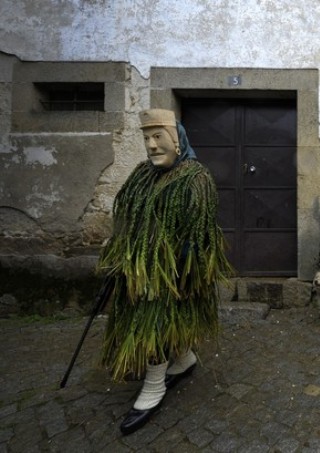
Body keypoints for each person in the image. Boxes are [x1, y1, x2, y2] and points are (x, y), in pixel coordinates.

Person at [97, 109, 233, 435]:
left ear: (177, 140)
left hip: (170, 275)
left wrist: (177, 269)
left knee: (156, 321)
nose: (152, 145)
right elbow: (129, 217)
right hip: (138, 270)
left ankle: (154, 385)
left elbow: (194, 235)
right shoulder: (143, 174)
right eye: (146, 138)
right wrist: (119, 248)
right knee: (159, 319)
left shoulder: (195, 177)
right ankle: (184, 359)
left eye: (158, 137)